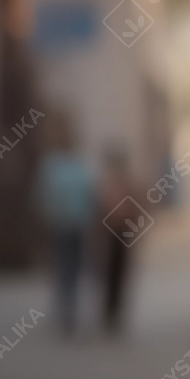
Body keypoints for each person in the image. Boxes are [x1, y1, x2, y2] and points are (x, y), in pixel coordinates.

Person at [36, 113, 96, 336]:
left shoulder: (56, 166)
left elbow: (43, 197)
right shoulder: (70, 165)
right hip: (70, 224)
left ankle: (67, 313)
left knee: (66, 268)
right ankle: (67, 312)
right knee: (69, 268)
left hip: (68, 224)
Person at [96, 148, 142, 334]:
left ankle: (115, 314)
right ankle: (109, 313)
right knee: (109, 276)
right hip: (110, 235)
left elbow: (137, 211)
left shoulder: (126, 186)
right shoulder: (108, 186)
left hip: (122, 234)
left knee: (119, 276)